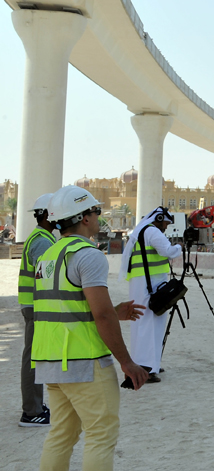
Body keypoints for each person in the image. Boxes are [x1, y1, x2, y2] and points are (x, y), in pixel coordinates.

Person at [33, 185, 147, 471]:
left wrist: (113, 312)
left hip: (51, 359)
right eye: (96, 212)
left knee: (62, 434)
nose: (98, 217)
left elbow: (66, 306)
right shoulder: (88, 254)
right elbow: (101, 316)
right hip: (84, 362)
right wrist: (127, 362)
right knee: (100, 434)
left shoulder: (49, 255)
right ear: (84, 217)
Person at [119, 206, 182, 382]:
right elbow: (167, 251)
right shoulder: (152, 231)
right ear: (159, 218)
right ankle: (145, 370)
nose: (166, 228)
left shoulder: (143, 231)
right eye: (166, 224)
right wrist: (179, 246)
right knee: (147, 325)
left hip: (144, 283)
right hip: (149, 284)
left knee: (148, 324)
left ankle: (151, 364)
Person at [18, 193, 56, 427]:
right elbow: (49, 278)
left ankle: (35, 406)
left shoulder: (41, 237)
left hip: (34, 306)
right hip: (37, 307)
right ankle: (31, 412)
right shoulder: (42, 241)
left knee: (34, 357)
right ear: (49, 214)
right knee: (33, 359)